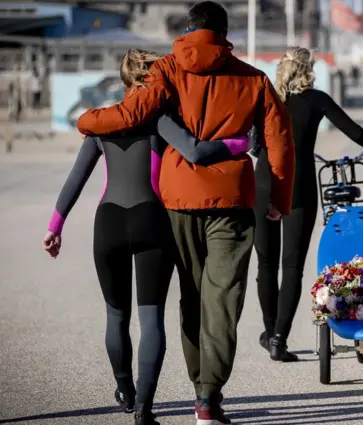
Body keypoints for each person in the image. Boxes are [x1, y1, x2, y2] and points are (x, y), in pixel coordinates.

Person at [75, 3, 295, 424]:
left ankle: (202, 388)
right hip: (232, 203)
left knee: (192, 299)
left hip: (177, 203)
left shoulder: (169, 70)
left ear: (189, 28)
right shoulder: (255, 79)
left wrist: (86, 120)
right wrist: (278, 200)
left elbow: (131, 113)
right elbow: (280, 143)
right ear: (225, 32)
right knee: (224, 300)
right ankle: (208, 398)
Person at [43, 49, 249, 425]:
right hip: (151, 219)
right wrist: (240, 144)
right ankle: (143, 411)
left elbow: (76, 178)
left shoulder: (101, 123)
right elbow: (195, 151)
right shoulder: (159, 119)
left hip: (108, 222)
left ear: (123, 80)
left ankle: (125, 391)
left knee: (115, 316)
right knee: (151, 319)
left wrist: (55, 227)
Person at [252, 47, 363, 362]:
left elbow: (252, 142)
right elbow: (353, 130)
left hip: (262, 183)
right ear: (308, 70)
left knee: (265, 265)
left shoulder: (265, 97)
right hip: (298, 186)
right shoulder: (317, 99)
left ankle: (269, 331)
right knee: (291, 267)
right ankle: (278, 339)